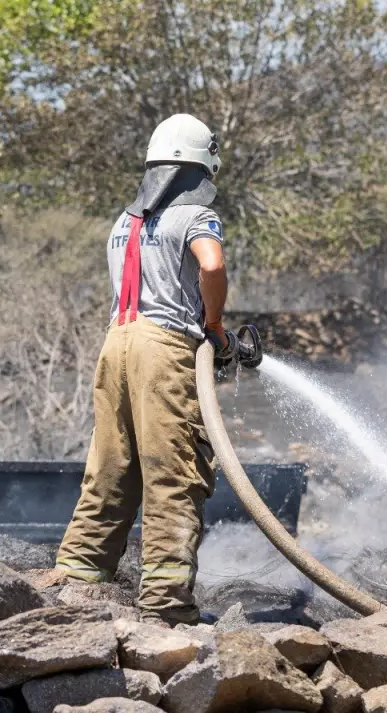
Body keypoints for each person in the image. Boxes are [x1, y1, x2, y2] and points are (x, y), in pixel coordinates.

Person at [55, 113, 235, 627]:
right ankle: (164, 602)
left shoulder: (124, 222)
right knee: (173, 468)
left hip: (116, 345)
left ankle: (79, 578)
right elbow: (212, 264)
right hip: (164, 348)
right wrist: (215, 323)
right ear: (198, 170)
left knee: (112, 465)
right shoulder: (195, 217)